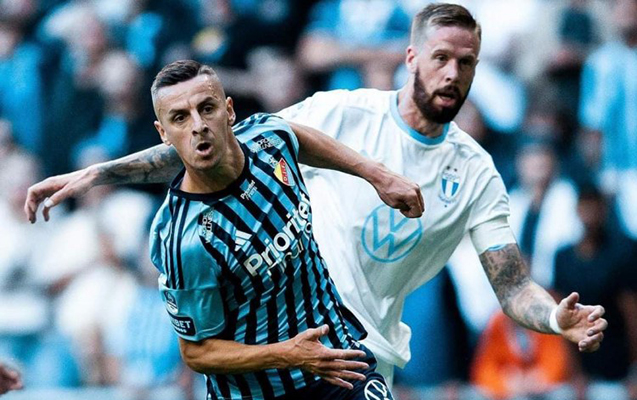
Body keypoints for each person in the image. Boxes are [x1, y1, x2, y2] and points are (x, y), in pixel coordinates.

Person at [25, 3, 607, 386]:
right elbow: (219, 143)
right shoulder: (341, 112)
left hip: (366, 353)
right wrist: (98, 174)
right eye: (441, 58)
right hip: (284, 337)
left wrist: (554, 318)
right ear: (410, 58)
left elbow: (512, 285)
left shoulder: (477, 173)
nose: (453, 74)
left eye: (466, 62)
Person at [83, 59, 423, 400]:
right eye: (180, 118)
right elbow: (197, 352)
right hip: (259, 393)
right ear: (163, 133)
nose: (198, 126)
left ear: (229, 110)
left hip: (337, 362)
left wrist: (376, 174)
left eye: (207, 108)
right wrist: (288, 354)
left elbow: (296, 137)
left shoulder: (268, 138)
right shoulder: (185, 239)